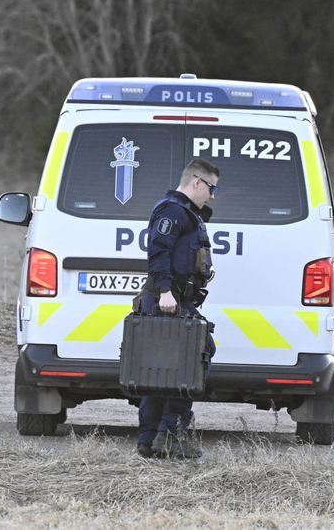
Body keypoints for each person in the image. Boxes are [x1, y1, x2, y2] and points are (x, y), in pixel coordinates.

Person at [136, 158, 220, 459]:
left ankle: (150, 438)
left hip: (174, 299)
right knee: (196, 356)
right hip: (168, 300)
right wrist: (164, 291)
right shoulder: (173, 210)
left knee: (160, 368)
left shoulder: (186, 213)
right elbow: (158, 249)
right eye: (211, 189)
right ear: (196, 182)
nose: (212, 196)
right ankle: (171, 432)